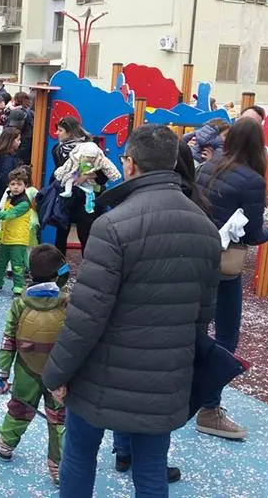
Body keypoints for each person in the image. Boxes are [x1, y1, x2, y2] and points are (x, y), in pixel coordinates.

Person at [42, 124, 221, 497]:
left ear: (131, 164)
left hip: (101, 374)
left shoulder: (113, 225)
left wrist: (58, 371)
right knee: (151, 469)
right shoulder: (204, 228)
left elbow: (87, 314)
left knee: (79, 456)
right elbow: (203, 313)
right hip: (165, 374)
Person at [195, 118, 268, 440]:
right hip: (225, 267)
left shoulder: (209, 166)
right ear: (259, 145)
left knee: (196, 327)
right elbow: (252, 233)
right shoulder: (252, 181)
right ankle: (209, 407)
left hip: (197, 256)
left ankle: (186, 393)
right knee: (227, 336)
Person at [0, 244, 69, 486]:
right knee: (59, 419)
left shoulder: (20, 304)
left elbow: (8, 339)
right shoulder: (68, 303)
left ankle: (4, 445)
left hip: (26, 369)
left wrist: (2, 373)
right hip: (60, 372)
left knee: (20, 409)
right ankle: (58, 468)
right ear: (59, 274)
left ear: (31, 274)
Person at [51, 116, 102, 256]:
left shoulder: (90, 148)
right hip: (65, 195)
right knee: (61, 232)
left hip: (85, 196)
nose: (57, 133)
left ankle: (88, 266)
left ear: (70, 132)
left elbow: (100, 172)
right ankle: (59, 269)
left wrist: (85, 176)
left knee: (84, 233)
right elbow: (58, 169)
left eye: (60, 130)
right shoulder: (57, 149)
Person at [0, 167, 34, 295]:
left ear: (26, 185)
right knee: (1, 262)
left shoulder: (24, 203)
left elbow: (8, 215)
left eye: (19, 184)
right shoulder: (10, 198)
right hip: (7, 237)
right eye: (13, 184)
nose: (16, 187)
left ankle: (19, 285)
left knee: (17, 264)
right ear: (8, 185)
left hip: (18, 239)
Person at [0, 128, 23, 208]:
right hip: (2, 195)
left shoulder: (1, 155)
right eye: (18, 140)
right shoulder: (8, 158)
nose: (20, 142)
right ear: (11, 141)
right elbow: (6, 177)